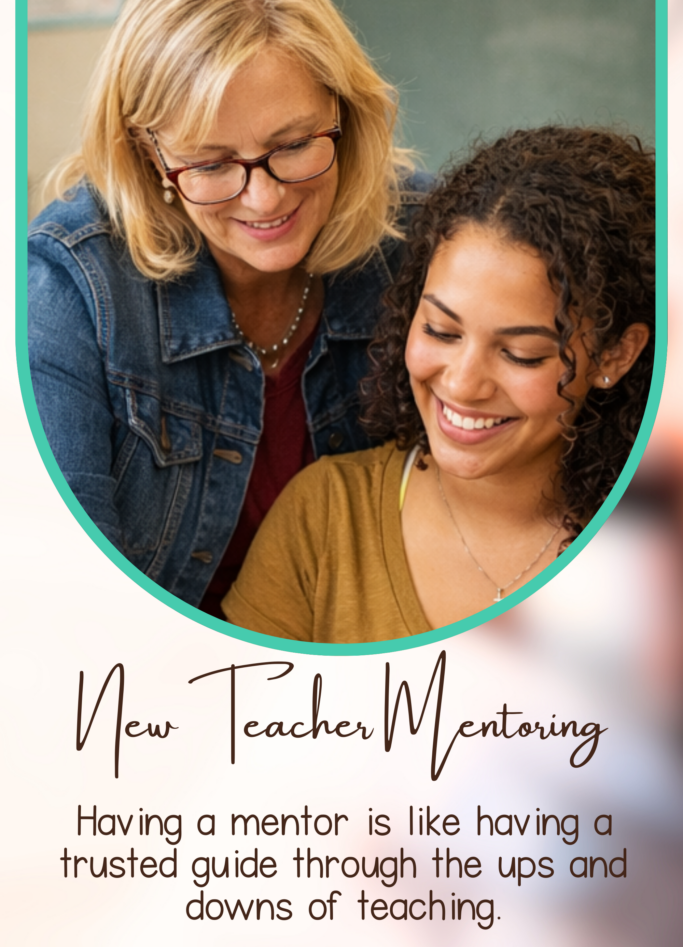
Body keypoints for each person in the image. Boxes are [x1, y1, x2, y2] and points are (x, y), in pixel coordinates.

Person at [28, 0, 428, 616]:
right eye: (212, 163)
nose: (264, 198)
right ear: (149, 153)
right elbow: (71, 597)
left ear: (344, 114)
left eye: (294, 144)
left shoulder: (425, 237)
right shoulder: (68, 284)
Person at [223, 126, 655, 643]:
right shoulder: (325, 517)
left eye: (521, 354)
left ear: (615, 354)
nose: (463, 384)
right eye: (441, 331)